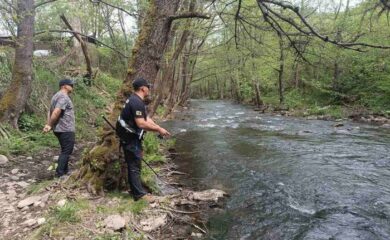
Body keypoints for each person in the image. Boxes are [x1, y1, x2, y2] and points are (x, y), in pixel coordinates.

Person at [117, 77, 170, 202]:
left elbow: (146, 118)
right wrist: (158, 130)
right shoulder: (136, 102)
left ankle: (135, 190)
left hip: (130, 137)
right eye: (148, 87)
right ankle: (139, 196)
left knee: (134, 164)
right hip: (130, 138)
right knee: (134, 165)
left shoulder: (135, 100)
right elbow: (141, 124)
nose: (149, 89)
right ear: (143, 88)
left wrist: (159, 127)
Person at [43, 79, 75, 178]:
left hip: (59, 128)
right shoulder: (63, 96)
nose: (72, 87)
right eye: (71, 85)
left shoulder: (55, 96)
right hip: (65, 128)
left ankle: (65, 171)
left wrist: (49, 124)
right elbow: (56, 112)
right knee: (67, 151)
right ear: (64, 86)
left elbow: (50, 111)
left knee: (65, 150)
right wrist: (49, 125)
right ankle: (60, 173)